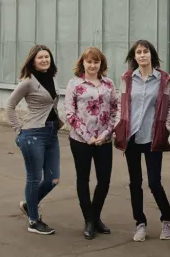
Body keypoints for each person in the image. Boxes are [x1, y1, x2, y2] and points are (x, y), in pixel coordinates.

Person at [115, 40, 170, 242]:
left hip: (152, 137)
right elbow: (121, 105)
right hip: (131, 137)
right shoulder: (127, 78)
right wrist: (118, 127)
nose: (142, 55)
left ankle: (166, 220)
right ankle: (140, 223)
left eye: (145, 51)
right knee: (135, 183)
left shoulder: (164, 79)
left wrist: (167, 128)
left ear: (152, 55)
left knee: (154, 183)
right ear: (134, 57)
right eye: (138, 52)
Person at [64, 47, 120, 240]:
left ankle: (95, 217)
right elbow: (70, 113)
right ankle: (88, 219)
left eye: (96, 62)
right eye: (89, 61)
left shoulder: (109, 83)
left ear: (101, 64)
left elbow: (115, 110)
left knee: (104, 180)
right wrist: (88, 136)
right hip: (81, 140)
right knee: (83, 179)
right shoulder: (74, 84)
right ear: (83, 63)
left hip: (104, 140)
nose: (92, 65)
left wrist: (105, 134)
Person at [7, 45, 62, 236]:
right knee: (34, 178)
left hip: (52, 133)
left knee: (53, 179)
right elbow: (10, 105)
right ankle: (33, 220)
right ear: (33, 61)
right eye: (40, 57)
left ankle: (29, 204)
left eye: (47, 57)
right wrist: (18, 131)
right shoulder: (28, 82)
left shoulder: (52, 77)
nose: (45, 60)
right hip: (33, 135)